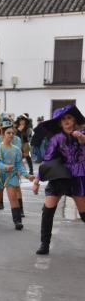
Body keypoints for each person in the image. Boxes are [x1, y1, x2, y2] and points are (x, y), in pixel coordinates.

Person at [33, 105, 85, 255]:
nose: (67, 121)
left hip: (80, 176)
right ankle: (44, 244)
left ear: (74, 120)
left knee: (84, 215)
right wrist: (37, 180)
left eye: (69, 118)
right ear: (60, 124)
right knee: (48, 210)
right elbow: (47, 160)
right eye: (63, 119)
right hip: (61, 175)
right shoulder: (57, 138)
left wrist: (81, 138)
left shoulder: (82, 132)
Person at [0, 120, 35, 230]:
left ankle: (17, 221)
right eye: (8, 133)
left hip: (11, 175)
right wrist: (5, 166)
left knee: (13, 196)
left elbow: (19, 165)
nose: (11, 135)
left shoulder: (17, 149)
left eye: (13, 133)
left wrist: (27, 175)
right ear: (3, 134)